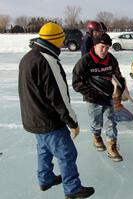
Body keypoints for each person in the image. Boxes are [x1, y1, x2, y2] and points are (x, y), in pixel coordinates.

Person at [18, 22, 94, 199]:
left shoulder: (28, 57)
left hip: (33, 117)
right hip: (49, 120)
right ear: (56, 40)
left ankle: (46, 179)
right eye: (61, 39)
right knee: (67, 154)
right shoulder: (48, 60)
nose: (63, 42)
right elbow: (59, 96)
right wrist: (72, 121)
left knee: (44, 150)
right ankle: (72, 189)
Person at [73, 33, 126, 162]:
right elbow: (76, 83)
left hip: (108, 97)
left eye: (107, 48)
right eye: (102, 47)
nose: (104, 50)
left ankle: (112, 146)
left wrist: (120, 92)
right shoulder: (85, 61)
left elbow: (118, 76)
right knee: (96, 123)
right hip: (92, 99)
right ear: (95, 45)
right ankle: (96, 137)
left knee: (111, 122)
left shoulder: (111, 59)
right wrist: (93, 95)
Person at [81, 21, 133, 122]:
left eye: (101, 31)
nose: (100, 33)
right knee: (111, 87)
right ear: (91, 31)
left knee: (118, 83)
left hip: (103, 66)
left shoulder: (93, 38)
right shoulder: (87, 41)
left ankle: (116, 107)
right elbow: (87, 58)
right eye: (98, 31)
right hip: (95, 72)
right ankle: (115, 109)